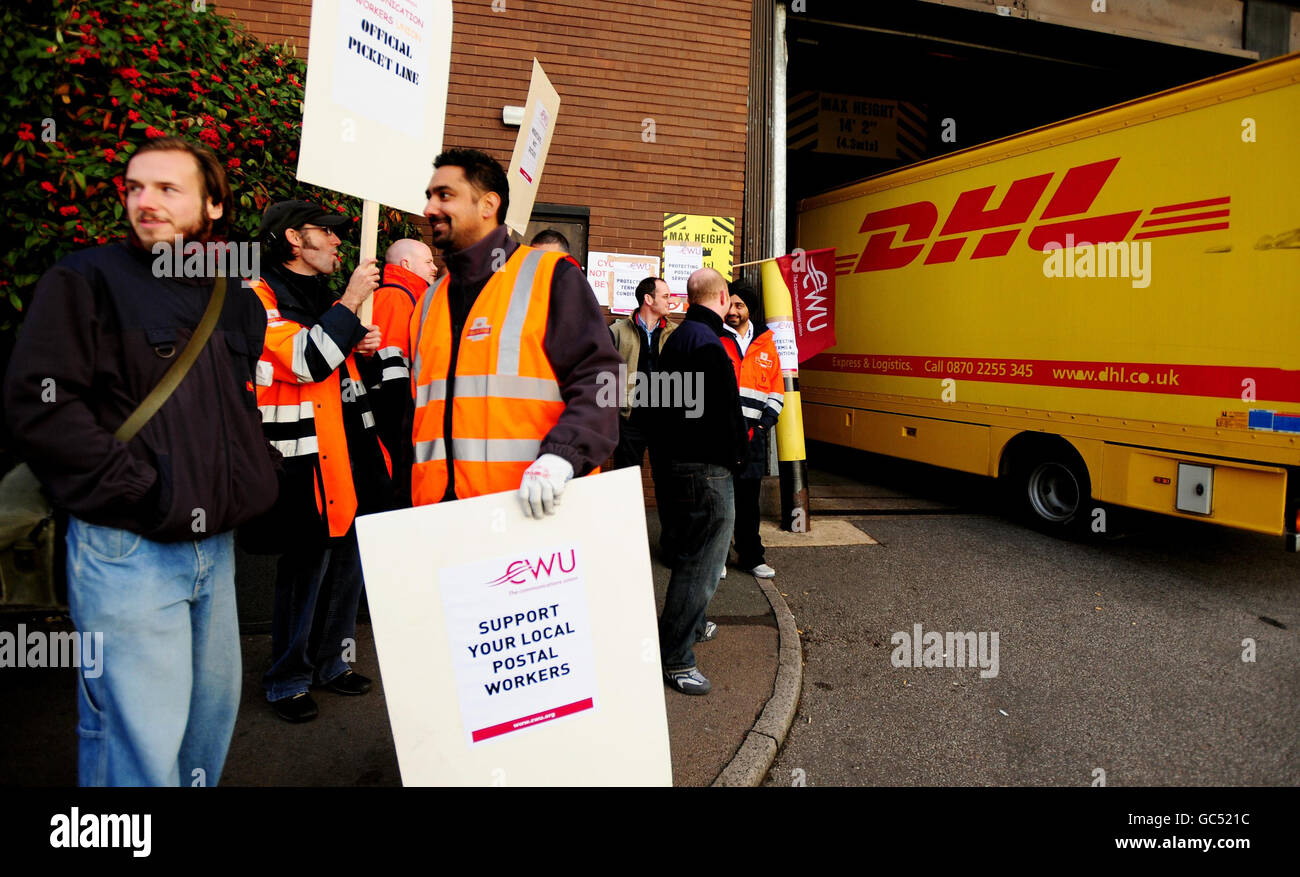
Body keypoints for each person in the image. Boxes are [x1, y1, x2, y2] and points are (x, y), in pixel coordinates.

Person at [3, 136, 278, 785]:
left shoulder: (235, 299)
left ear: (213, 205)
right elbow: (39, 404)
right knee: (138, 748)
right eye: (135, 187)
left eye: (166, 188)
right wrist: (147, 491)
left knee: (203, 737)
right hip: (127, 548)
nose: (145, 201)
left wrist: (252, 482)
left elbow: (234, 413)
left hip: (218, 549)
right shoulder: (85, 279)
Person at [410, 148, 620, 515]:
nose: (429, 208)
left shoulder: (551, 276)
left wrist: (564, 455)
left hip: (530, 515)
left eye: (445, 195)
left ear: (488, 204)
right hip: (440, 520)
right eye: (429, 196)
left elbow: (601, 379)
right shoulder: (428, 303)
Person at [248, 199, 395, 722]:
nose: (337, 241)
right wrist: (352, 302)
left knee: (349, 566)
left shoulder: (324, 297)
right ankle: (287, 679)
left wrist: (363, 346)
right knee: (305, 571)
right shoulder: (257, 294)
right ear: (293, 238)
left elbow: (336, 363)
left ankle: (332, 664)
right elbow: (308, 362)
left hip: (354, 454)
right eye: (326, 233)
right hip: (302, 462)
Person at [654, 267, 749, 695]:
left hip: (683, 464)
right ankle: (675, 657)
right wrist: (737, 457)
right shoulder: (710, 343)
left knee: (694, 559)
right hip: (709, 470)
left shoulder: (677, 338)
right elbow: (723, 414)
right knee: (701, 567)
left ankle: (683, 632)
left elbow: (663, 405)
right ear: (723, 296)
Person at [361, 238, 438, 506]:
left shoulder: (406, 297)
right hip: (395, 424)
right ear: (406, 264)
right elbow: (393, 378)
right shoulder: (396, 298)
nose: (435, 267)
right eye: (428, 261)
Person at [720, 282, 783, 579]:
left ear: (749, 311)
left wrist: (763, 425)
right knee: (719, 498)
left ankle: (751, 556)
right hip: (722, 433)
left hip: (753, 435)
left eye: (739, 306)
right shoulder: (716, 337)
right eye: (729, 305)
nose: (732, 311)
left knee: (748, 501)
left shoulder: (767, 343)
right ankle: (717, 558)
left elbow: (776, 389)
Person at [608, 276, 675, 548]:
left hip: (664, 420)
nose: (671, 300)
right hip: (629, 419)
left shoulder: (675, 332)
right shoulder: (617, 331)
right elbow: (604, 373)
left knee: (669, 484)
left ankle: (671, 546)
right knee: (625, 483)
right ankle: (624, 545)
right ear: (649, 299)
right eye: (665, 295)